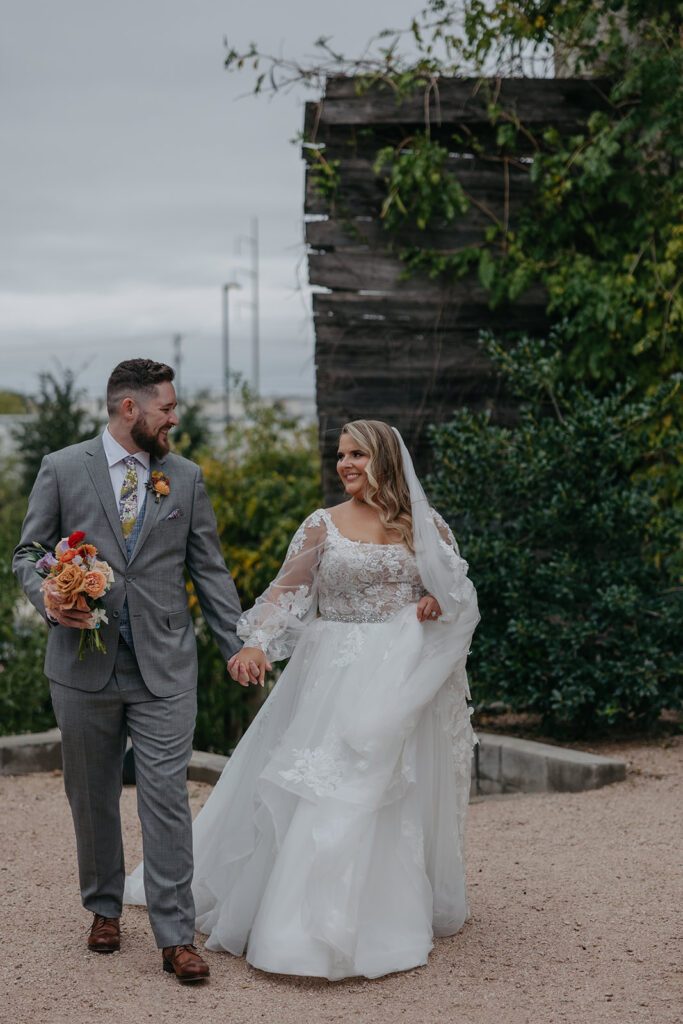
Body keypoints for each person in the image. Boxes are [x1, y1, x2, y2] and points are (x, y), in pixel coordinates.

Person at [127, 418, 480, 980]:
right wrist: (257, 644)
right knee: (326, 788)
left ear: (385, 459)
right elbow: (286, 593)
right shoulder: (322, 524)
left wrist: (436, 601)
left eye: (358, 454)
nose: (345, 465)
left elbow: (457, 589)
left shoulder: (427, 526)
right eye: (341, 455)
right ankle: (299, 928)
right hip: (330, 675)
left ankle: (379, 916)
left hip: (397, 674)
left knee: (383, 788)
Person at [13, 358, 243, 984]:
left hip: (165, 665)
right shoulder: (63, 468)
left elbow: (211, 571)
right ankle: (104, 908)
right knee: (91, 796)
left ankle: (175, 936)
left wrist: (235, 645)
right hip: (81, 663)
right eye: (167, 407)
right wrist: (50, 596)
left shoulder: (186, 479)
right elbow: (28, 551)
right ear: (129, 409)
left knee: (166, 799)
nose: (175, 417)